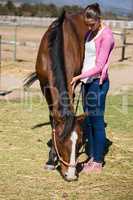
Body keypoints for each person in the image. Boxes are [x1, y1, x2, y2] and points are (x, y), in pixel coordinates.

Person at [71, 3, 115, 173]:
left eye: (92, 24)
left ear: (99, 19)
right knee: (88, 120)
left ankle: (97, 162)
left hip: (97, 83)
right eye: (87, 24)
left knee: (97, 121)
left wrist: (77, 77)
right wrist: (80, 79)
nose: (89, 27)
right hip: (87, 83)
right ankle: (91, 156)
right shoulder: (90, 33)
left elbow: (98, 66)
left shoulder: (107, 36)